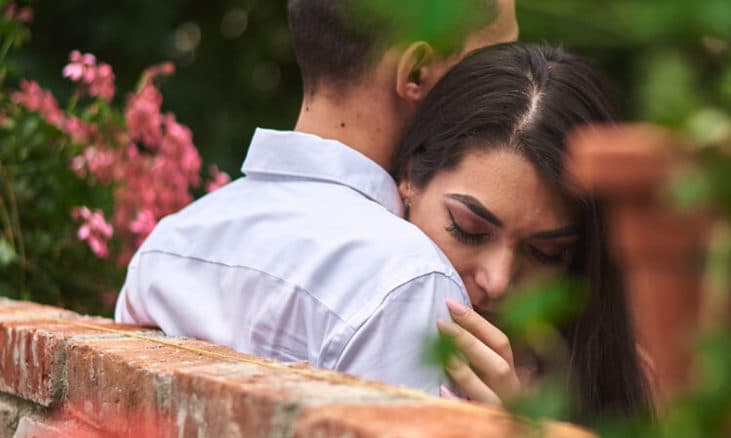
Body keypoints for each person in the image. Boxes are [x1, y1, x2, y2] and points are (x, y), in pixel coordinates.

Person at [115, 0, 518, 395]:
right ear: (416, 71)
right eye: (495, 61)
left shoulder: (168, 247)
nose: (511, 84)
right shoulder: (408, 282)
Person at [394, 43, 652, 420]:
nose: (497, 282)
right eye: (468, 230)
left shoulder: (626, 379)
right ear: (411, 177)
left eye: (546, 253)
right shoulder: (358, 306)